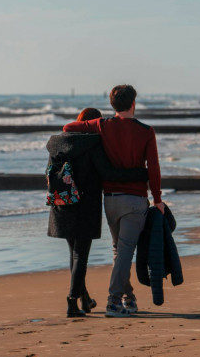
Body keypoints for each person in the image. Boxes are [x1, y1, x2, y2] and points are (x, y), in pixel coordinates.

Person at [63, 85, 163, 317]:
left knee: (120, 252)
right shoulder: (146, 131)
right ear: (133, 104)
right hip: (135, 199)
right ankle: (114, 301)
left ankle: (129, 298)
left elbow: (68, 127)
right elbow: (154, 168)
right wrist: (157, 199)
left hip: (110, 200)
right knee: (125, 252)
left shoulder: (102, 125)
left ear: (112, 105)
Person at [47, 108, 148, 317]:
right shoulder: (92, 143)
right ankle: (72, 302)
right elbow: (108, 173)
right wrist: (141, 173)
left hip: (62, 203)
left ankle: (84, 299)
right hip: (84, 206)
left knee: (74, 254)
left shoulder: (56, 144)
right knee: (80, 255)